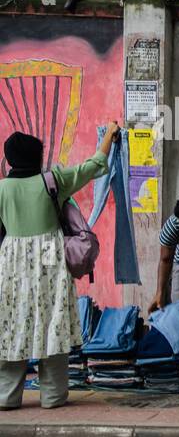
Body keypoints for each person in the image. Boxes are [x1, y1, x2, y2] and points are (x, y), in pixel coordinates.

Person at [0, 124, 115, 409]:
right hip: (50, 261)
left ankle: (6, 396)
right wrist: (110, 136)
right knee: (53, 324)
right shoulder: (54, 181)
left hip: (12, 263)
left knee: (11, 326)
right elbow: (94, 166)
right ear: (38, 157)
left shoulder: (2, 189)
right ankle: (52, 397)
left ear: (9, 159)